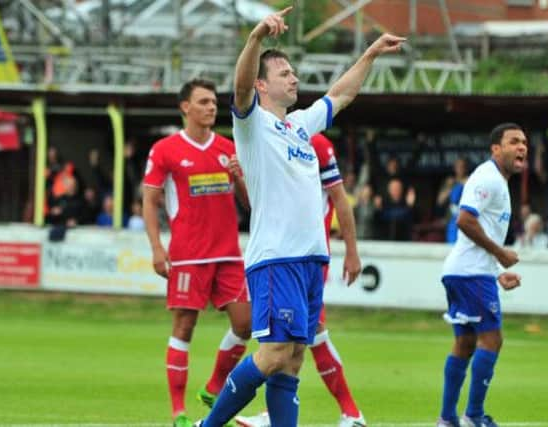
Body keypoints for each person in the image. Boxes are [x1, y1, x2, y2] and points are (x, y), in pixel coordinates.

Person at [194, 7, 404, 427]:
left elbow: (341, 95)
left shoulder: (300, 127)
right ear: (262, 84)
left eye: (293, 72)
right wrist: (255, 38)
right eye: (285, 73)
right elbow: (238, 86)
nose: (294, 78)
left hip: (309, 260)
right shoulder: (252, 123)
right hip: (277, 258)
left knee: (292, 360)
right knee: (272, 354)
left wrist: (371, 54)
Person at [230, 133, 365, 427]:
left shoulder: (314, 141)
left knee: (309, 334)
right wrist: (240, 179)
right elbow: (260, 205)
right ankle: (278, 414)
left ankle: (351, 412)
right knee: (289, 340)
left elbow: (339, 197)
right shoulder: (265, 139)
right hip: (280, 256)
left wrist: (352, 251)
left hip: (306, 258)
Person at [142, 78, 252, 427]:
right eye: (203, 102)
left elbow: (250, 203)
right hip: (189, 255)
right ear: (185, 107)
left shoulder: (227, 147)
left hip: (229, 254)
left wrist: (242, 177)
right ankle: (179, 412)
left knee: (245, 323)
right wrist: (158, 247)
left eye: (213, 102)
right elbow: (150, 199)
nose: (211, 107)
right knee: (184, 327)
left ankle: (215, 385)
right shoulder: (165, 150)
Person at [437, 123, 527, 427]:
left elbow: (479, 229)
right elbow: (465, 220)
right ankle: (474, 416)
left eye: (524, 143)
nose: (522, 147)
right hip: (471, 274)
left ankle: (448, 419)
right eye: (514, 141)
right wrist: (501, 255)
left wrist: (498, 271)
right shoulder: (488, 177)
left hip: (467, 272)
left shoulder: (498, 181)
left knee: (465, 343)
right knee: (492, 339)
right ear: (496, 149)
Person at [436, 158, 469, 243]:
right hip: (452, 220)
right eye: (458, 167)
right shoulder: (450, 182)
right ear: (454, 168)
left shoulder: (470, 181)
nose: (460, 169)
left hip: (466, 219)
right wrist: (450, 187)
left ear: (466, 168)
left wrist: (466, 184)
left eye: (462, 167)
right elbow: (440, 201)